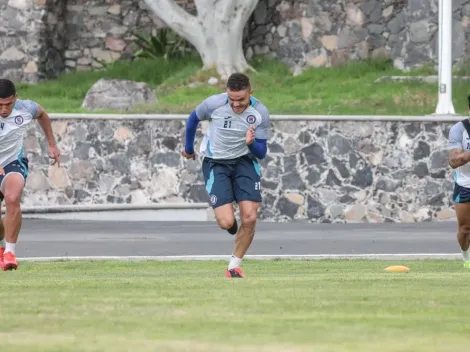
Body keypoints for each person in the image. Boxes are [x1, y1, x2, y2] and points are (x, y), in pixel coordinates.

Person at [182, 73, 270, 278]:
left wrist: (251, 144)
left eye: (241, 100)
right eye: (232, 99)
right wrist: (188, 148)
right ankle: (232, 226)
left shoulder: (260, 112)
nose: (236, 104)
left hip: (244, 161)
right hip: (216, 162)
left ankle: (234, 266)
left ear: (251, 93)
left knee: (250, 217)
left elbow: (262, 152)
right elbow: (193, 119)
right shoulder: (213, 104)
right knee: (226, 222)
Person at [0, 78, 60, 271]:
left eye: (8, 104)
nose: (4, 110)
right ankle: (2, 247)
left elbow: (42, 114)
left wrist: (51, 144)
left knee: (12, 196)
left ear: (16, 98)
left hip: (12, 163)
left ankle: (10, 253)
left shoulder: (26, 109)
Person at [447, 95, 470, 268]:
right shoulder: (459, 129)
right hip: (465, 184)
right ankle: (466, 258)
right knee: (465, 229)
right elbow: (454, 161)